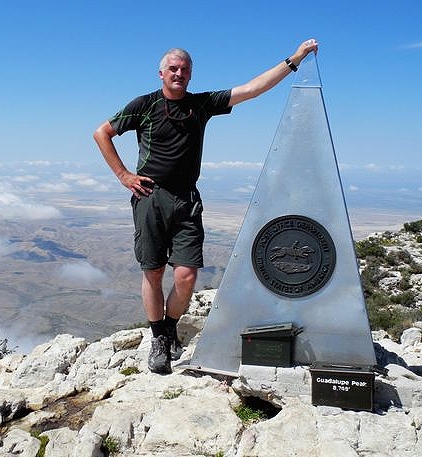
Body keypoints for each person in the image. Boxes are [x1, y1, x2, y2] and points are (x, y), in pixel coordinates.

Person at [93, 39, 320, 374]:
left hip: (186, 199)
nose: (179, 74)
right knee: (153, 272)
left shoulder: (200, 105)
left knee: (186, 276)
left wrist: (295, 59)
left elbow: (252, 90)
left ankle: (170, 328)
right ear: (161, 73)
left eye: (184, 70)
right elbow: (102, 133)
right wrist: (124, 175)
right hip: (149, 197)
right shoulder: (143, 105)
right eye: (173, 69)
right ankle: (159, 339)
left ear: (190, 74)